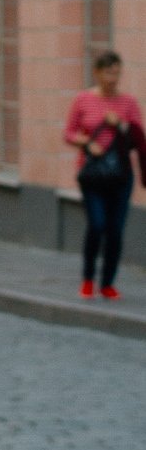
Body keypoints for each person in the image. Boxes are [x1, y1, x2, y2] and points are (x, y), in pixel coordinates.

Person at [64, 49, 146, 301]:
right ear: (97, 73)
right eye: (109, 72)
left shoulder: (128, 103)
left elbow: (138, 139)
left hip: (121, 175)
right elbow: (69, 133)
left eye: (117, 72)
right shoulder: (83, 100)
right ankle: (88, 278)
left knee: (115, 230)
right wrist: (88, 143)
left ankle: (108, 282)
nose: (114, 78)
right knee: (97, 225)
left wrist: (120, 124)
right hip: (93, 175)